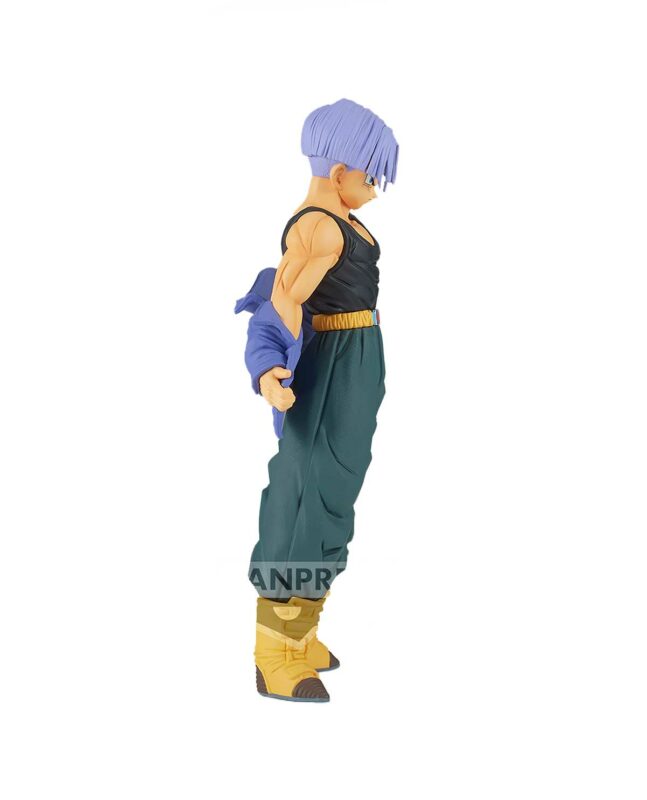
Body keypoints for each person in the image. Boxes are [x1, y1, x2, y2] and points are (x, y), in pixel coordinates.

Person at [235, 98, 399, 702]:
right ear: (340, 172)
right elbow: (280, 302)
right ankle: (275, 651)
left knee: (335, 491)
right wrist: (269, 371)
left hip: (354, 365)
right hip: (329, 369)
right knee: (305, 494)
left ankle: (301, 633)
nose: (375, 190)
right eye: (371, 177)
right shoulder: (320, 227)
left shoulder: (342, 221)